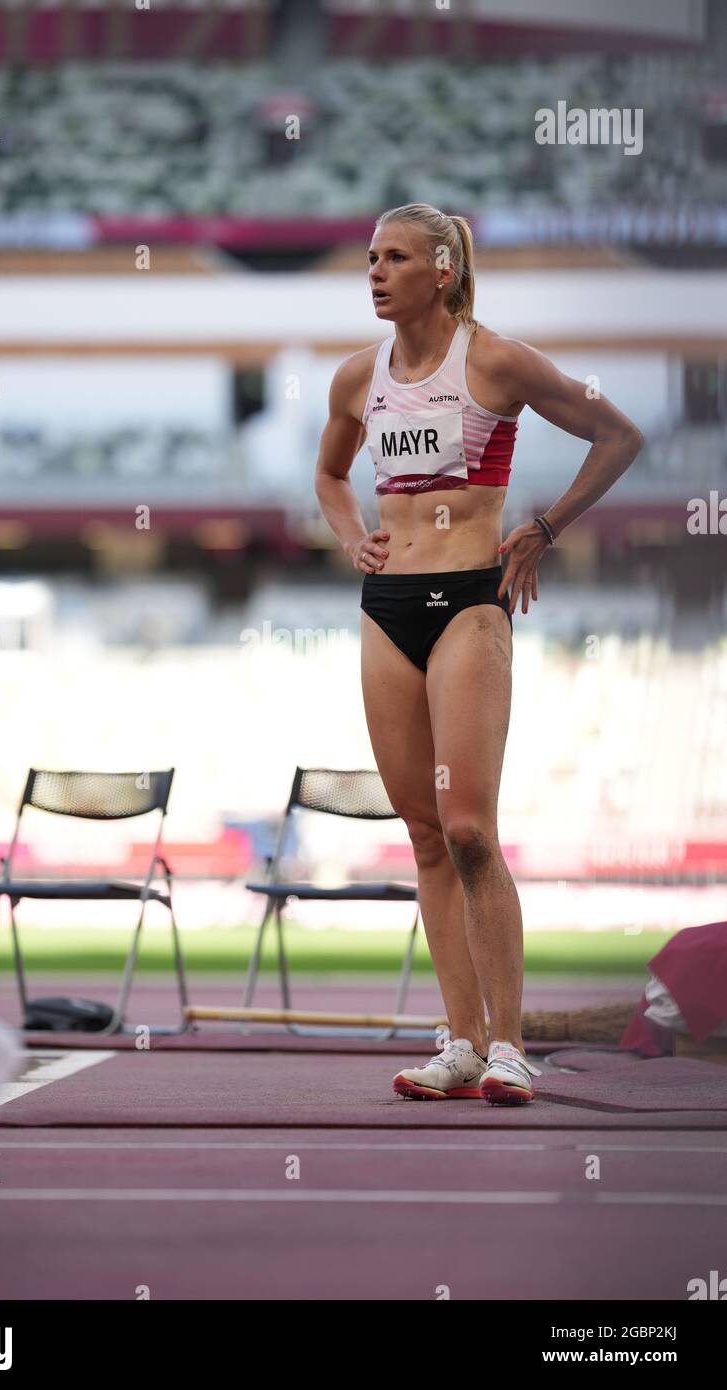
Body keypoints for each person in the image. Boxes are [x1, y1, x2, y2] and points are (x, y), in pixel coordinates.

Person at [314, 202, 644, 1104]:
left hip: (470, 603)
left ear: (444, 270)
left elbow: (618, 436)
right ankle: (460, 1045)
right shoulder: (356, 376)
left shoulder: (493, 359)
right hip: (388, 607)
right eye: (371, 258)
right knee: (423, 836)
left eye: (395, 258)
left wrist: (543, 527)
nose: (375, 272)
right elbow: (331, 475)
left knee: (468, 831)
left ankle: (509, 1045)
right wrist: (352, 537)